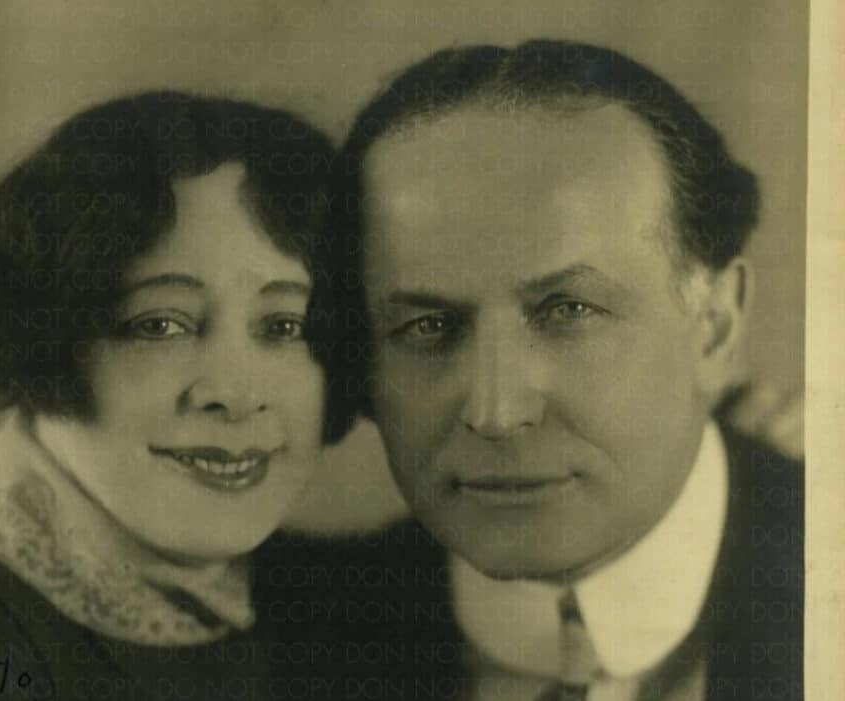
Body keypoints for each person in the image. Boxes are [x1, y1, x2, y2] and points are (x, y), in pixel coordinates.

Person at [321, 41, 803, 701]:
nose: (496, 412)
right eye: (428, 326)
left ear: (715, 326)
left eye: (568, 310)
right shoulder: (294, 632)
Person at [0, 91, 353, 700]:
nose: (234, 393)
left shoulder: (333, 607)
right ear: (43, 337)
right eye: (160, 325)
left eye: (286, 327)